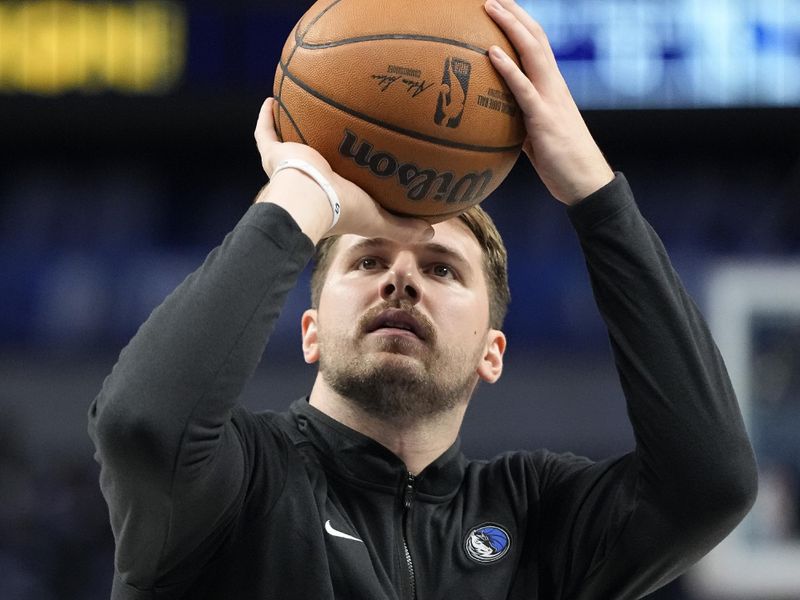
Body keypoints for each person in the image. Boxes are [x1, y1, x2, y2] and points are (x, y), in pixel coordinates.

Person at [88, 1, 758, 598]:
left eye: (442, 270)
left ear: (492, 352)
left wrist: (593, 189)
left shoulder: (537, 519)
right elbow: (141, 423)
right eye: (369, 258)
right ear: (310, 331)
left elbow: (711, 484)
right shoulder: (234, 486)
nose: (400, 279)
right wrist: (302, 195)